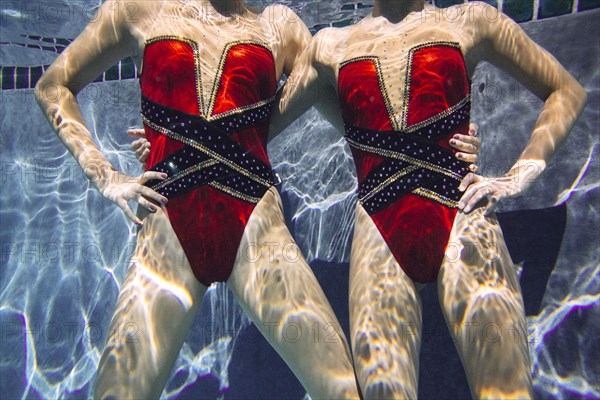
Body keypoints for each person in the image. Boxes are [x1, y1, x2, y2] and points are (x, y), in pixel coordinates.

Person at [264, 1, 586, 398]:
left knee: (508, 393)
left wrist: (516, 177)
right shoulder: (329, 46)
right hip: (379, 233)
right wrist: (164, 151)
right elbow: (246, 132)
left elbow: (566, 92)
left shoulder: (471, 20)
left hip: (462, 215)